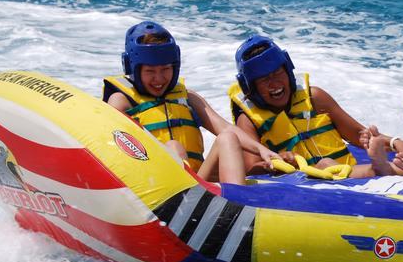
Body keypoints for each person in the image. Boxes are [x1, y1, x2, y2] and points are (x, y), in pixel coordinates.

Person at [103, 21, 278, 184]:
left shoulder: (187, 98)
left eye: (166, 69)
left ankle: (235, 204)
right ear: (133, 68)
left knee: (228, 138)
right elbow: (107, 149)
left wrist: (260, 149)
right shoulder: (121, 101)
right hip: (154, 187)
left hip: (196, 185)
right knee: (173, 146)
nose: (159, 78)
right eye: (150, 71)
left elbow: (225, 128)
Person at [228, 35, 403, 178]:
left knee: (329, 164)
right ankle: (383, 169)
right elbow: (250, 168)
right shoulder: (248, 121)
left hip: (347, 173)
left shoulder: (315, 97)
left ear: (288, 72)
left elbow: (360, 135)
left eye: (278, 73)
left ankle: (393, 167)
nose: (274, 83)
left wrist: (395, 143)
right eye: (264, 80)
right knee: (326, 165)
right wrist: (276, 162)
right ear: (250, 88)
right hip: (303, 182)